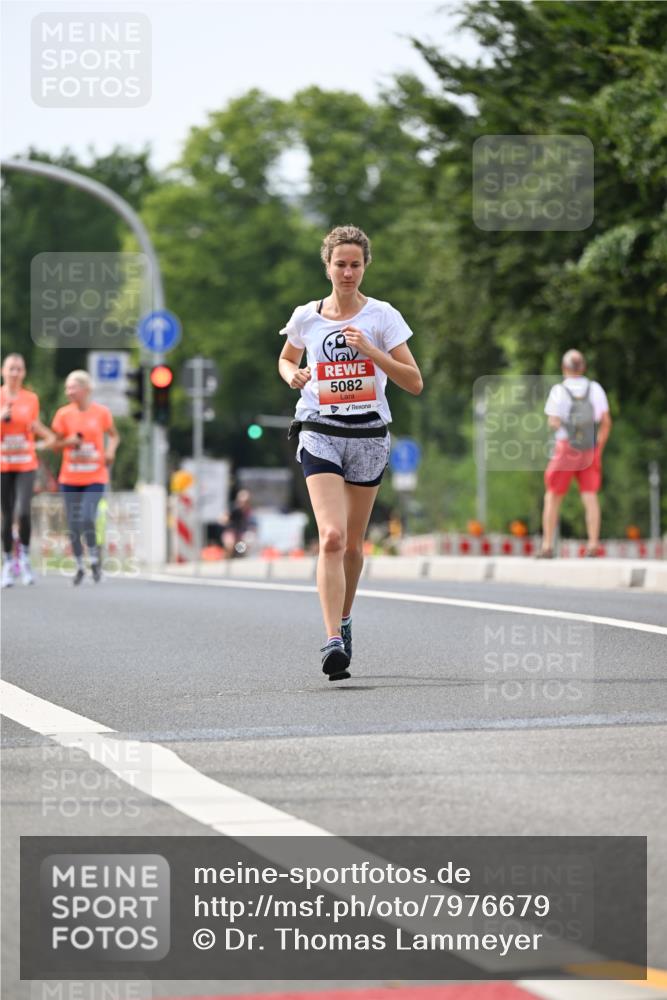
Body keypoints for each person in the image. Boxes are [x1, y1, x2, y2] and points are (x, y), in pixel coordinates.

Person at [278, 224, 423, 680]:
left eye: (355, 265)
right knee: (332, 537)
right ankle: (332, 641)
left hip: (368, 434)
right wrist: (293, 375)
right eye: (340, 264)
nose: (347, 272)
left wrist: (372, 352)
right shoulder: (307, 316)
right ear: (327, 266)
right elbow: (287, 357)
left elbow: (414, 382)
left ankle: (344, 619)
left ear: (365, 267)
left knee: (354, 545)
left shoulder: (382, 316)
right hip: (319, 428)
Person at [538, 349, 612, 558]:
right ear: (583, 368)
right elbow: (606, 422)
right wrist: (599, 448)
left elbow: (553, 421)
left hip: (565, 448)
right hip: (590, 448)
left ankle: (547, 545)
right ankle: (593, 544)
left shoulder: (559, 390)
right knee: (590, 495)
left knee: (553, 495)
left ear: (564, 368)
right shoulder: (595, 389)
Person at [51, 370, 120, 584]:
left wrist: (110, 451)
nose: (69, 391)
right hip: (70, 478)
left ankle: (95, 560)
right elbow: (54, 445)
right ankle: (80, 565)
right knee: (73, 523)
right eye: (67, 387)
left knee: (87, 517)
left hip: (95, 476)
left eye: (73, 387)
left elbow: (114, 435)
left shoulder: (101, 413)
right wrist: (68, 442)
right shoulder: (63, 414)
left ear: (86, 389)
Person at [1, 353, 56, 587]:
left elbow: (35, 427)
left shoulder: (31, 399)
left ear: (24, 373)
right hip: (3, 465)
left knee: (23, 511)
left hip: (25, 463)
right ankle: (7, 562)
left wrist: (42, 441)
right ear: (3, 371)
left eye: (19, 369)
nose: (15, 373)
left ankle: (23, 557)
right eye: (11, 368)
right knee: (6, 515)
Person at [220, 489, 257, 557]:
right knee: (229, 542)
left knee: (249, 539)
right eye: (241, 501)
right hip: (231, 533)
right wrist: (226, 518)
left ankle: (242, 556)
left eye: (246, 502)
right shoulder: (233, 509)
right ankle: (227, 558)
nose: (243, 504)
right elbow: (223, 519)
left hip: (242, 534)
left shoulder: (250, 512)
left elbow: (253, 526)